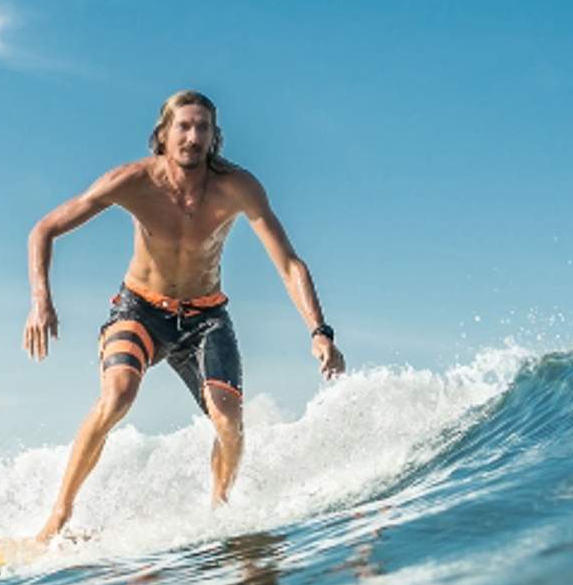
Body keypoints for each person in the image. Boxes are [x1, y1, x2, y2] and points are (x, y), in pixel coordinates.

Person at [23, 90, 345, 542]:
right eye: (184, 127)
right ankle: (58, 518)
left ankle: (219, 512)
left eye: (203, 128)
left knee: (229, 423)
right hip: (139, 309)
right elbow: (44, 230)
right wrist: (41, 300)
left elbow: (289, 264)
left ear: (214, 137)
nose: (193, 137)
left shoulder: (237, 188)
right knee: (117, 396)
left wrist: (319, 330)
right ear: (163, 134)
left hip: (205, 318)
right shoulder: (131, 181)